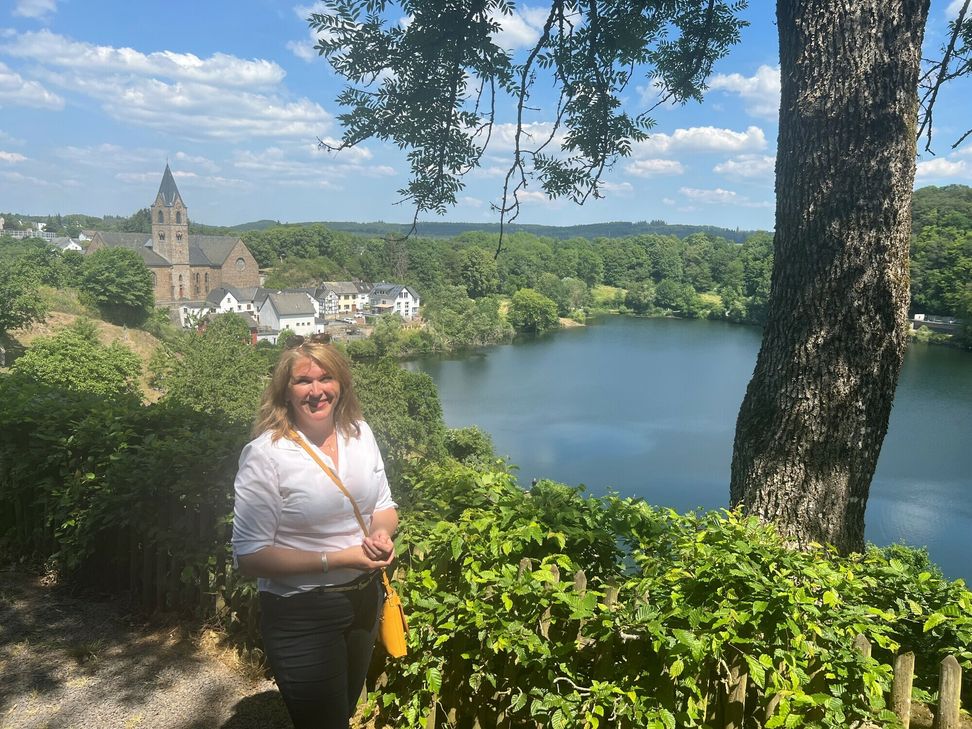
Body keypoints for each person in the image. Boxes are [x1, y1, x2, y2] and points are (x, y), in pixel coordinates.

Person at [232, 335, 398, 729]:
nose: (317, 390)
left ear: (341, 384)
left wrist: (381, 535)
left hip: (364, 600)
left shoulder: (360, 433)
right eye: (303, 381)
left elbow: (384, 507)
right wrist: (340, 559)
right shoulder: (266, 455)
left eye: (326, 378)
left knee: (341, 712)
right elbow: (250, 556)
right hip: (301, 612)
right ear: (285, 392)